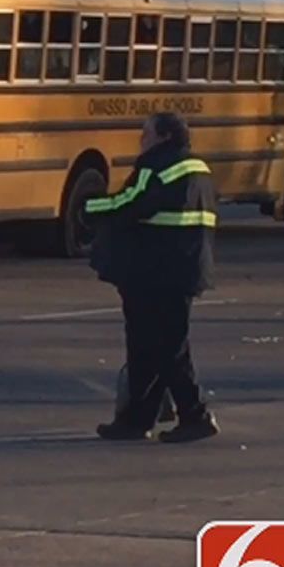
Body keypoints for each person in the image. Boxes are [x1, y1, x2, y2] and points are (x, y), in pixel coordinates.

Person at [86, 112, 220, 443]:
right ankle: (137, 419)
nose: (140, 138)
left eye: (145, 132)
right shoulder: (197, 167)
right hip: (181, 268)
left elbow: (130, 203)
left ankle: (194, 415)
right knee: (152, 347)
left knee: (164, 347)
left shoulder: (157, 166)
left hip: (156, 272)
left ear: (162, 136)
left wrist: (88, 207)